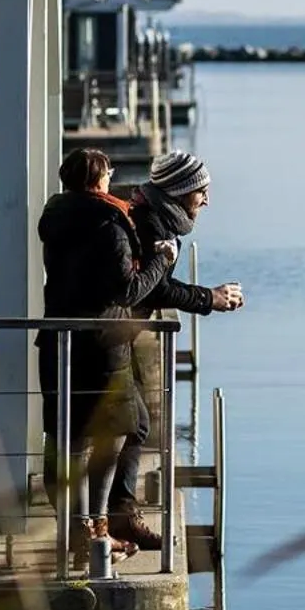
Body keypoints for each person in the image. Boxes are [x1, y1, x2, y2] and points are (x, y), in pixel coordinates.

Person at [36, 147, 175, 563]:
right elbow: (128, 291)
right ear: (99, 179)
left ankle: (82, 533)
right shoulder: (109, 223)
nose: (113, 178)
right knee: (110, 437)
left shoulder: (56, 216)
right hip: (102, 347)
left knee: (66, 439)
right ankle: (96, 531)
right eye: (110, 172)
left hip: (58, 343)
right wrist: (161, 260)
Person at [104, 149, 243, 551]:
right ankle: (111, 518)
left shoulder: (157, 218)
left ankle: (111, 515)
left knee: (133, 423)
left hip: (120, 334)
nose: (207, 200)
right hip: (111, 335)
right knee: (134, 423)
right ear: (182, 191)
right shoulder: (151, 223)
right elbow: (157, 287)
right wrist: (209, 298)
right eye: (202, 191)